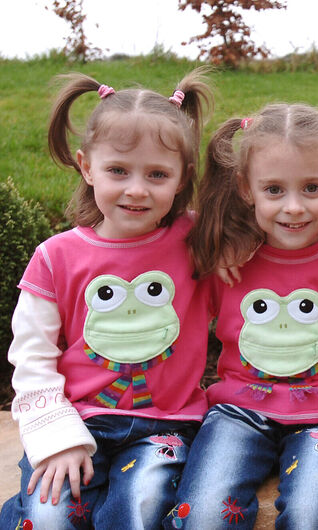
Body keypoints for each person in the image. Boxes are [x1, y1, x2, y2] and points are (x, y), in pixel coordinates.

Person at [0, 70, 214, 530]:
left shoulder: (198, 242)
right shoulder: (55, 257)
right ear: (86, 165)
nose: (137, 189)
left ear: (182, 179)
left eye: (157, 174)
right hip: (79, 421)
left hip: (167, 426)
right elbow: (32, 355)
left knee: (140, 507)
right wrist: (57, 438)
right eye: (118, 170)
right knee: (47, 513)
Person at [163, 103, 318, 529]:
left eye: (312, 188)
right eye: (274, 190)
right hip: (238, 412)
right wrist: (219, 238)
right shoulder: (227, 261)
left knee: (312, 514)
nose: (294, 207)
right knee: (203, 513)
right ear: (246, 188)